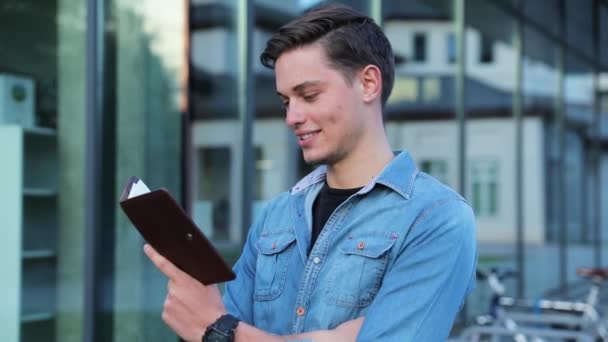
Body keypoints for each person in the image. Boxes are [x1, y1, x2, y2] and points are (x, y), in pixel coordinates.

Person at [144, 3, 477, 341]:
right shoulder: (277, 216)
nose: (292, 117)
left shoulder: (438, 219)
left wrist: (218, 329)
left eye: (309, 95)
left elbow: (217, 328)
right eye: (286, 101)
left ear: (368, 83)